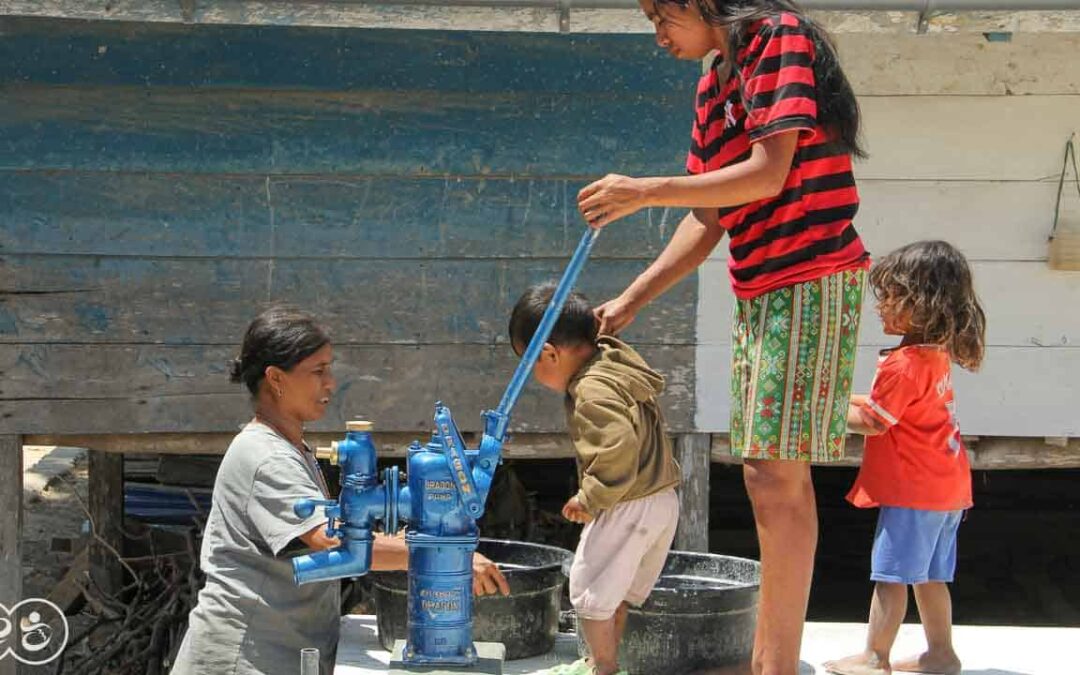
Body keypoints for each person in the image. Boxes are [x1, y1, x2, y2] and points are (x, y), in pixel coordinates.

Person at [575, 2, 869, 672]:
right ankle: (771, 660)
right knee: (766, 472)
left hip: (811, 271)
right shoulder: (714, 85)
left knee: (775, 474)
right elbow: (709, 217)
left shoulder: (776, 40)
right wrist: (630, 299)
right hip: (760, 287)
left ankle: (775, 665)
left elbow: (769, 171)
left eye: (662, 16)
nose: (658, 36)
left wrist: (646, 190)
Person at [172, 308, 508, 675]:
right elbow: (336, 543)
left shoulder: (291, 447)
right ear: (275, 378)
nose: (330, 383)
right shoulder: (264, 457)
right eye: (318, 371)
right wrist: (446, 556)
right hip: (240, 659)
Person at [824, 241, 986, 675]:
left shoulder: (902, 364)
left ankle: (875, 656)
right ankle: (941, 654)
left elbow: (875, 421)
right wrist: (841, 398)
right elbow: (890, 408)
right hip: (947, 487)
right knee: (930, 576)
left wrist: (820, 410)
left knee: (891, 576)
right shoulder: (933, 356)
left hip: (914, 491)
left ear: (924, 303)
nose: (881, 305)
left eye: (892, 295)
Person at [509, 283, 681, 675]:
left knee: (586, 592)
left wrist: (590, 495)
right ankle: (602, 662)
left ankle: (602, 669)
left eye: (529, 363)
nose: (533, 375)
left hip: (628, 502)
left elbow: (617, 444)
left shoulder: (591, 390)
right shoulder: (615, 363)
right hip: (662, 500)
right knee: (612, 593)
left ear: (550, 354)